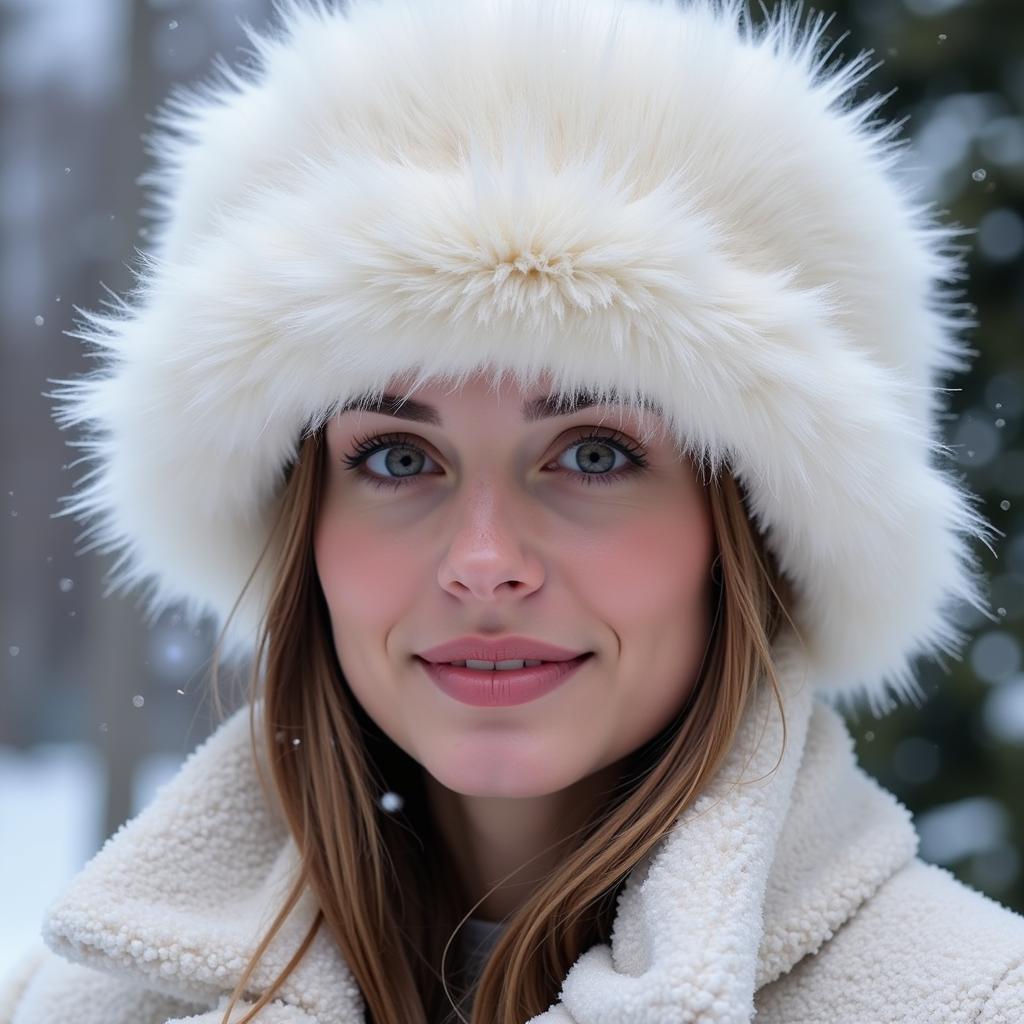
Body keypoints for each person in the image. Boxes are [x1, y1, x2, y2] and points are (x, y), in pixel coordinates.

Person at [2, 0, 1023, 1021]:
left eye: (593, 452)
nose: (484, 560)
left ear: (747, 532)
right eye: (399, 456)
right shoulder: (80, 1002)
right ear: (300, 527)